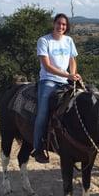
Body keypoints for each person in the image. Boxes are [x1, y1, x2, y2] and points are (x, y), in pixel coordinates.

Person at [32, 13, 81, 163]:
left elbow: (72, 59)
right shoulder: (44, 41)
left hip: (66, 79)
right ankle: (38, 147)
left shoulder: (69, 40)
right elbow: (47, 66)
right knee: (42, 111)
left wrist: (73, 74)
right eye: (59, 23)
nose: (61, 27)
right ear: (54, 24)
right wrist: (67, 76)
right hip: (49, 80)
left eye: (64, 25)